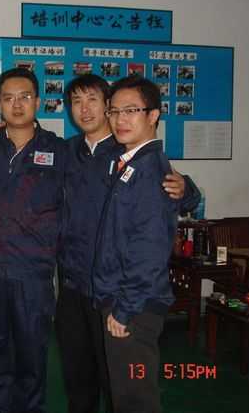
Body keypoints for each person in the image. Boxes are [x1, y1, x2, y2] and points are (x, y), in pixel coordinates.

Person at [0, 74, 199, 413]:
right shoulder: (66, 151)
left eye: (93, 100)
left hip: (111, 288)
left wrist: (187, 189)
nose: (84, 109)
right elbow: (28, 143)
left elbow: (165, 194)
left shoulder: (127, 151)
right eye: (76, 102)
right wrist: (1, 129)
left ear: (107, 106)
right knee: (78, 379)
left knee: (118, 382)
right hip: (72, 284)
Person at [0, 68, 66, 413]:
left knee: (31, 351)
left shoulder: (60, 150)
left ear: (38, 101)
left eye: (24, 97)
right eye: (8, 98)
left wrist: (184, 188)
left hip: (33, 272)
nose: (17, 104)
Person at [92, 74, 179, 413]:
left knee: (134, 397)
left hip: (134, 305)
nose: (120, 119)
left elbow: (149, 250)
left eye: (131, 110)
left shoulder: (148, 172)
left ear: (153, 115)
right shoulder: (131, 162)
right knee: (127, 390)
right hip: (125, 297)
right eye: (114, 111)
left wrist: (125, 309)